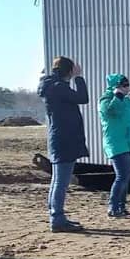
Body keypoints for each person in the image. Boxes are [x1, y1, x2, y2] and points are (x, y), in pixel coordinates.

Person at [38, 56, 89, 232]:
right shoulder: (58, 87)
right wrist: (79, 77)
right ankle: (57, 218)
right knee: (61, 181)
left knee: (57, 180)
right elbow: (82, 97)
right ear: (68, 71)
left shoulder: (51, 86)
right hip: (65, 140)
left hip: (59, 139)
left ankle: (56, 215)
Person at [99, 73, 130, 218]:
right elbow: (111, 111)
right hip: (117, 143)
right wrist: (117, 96)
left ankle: (122, 206)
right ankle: (113, 207)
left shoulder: (127, 101)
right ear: (116, 87)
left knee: (127, 177)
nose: (127, 88)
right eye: (124, 85)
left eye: (128, 85)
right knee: (121, 176)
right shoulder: (106, 100)